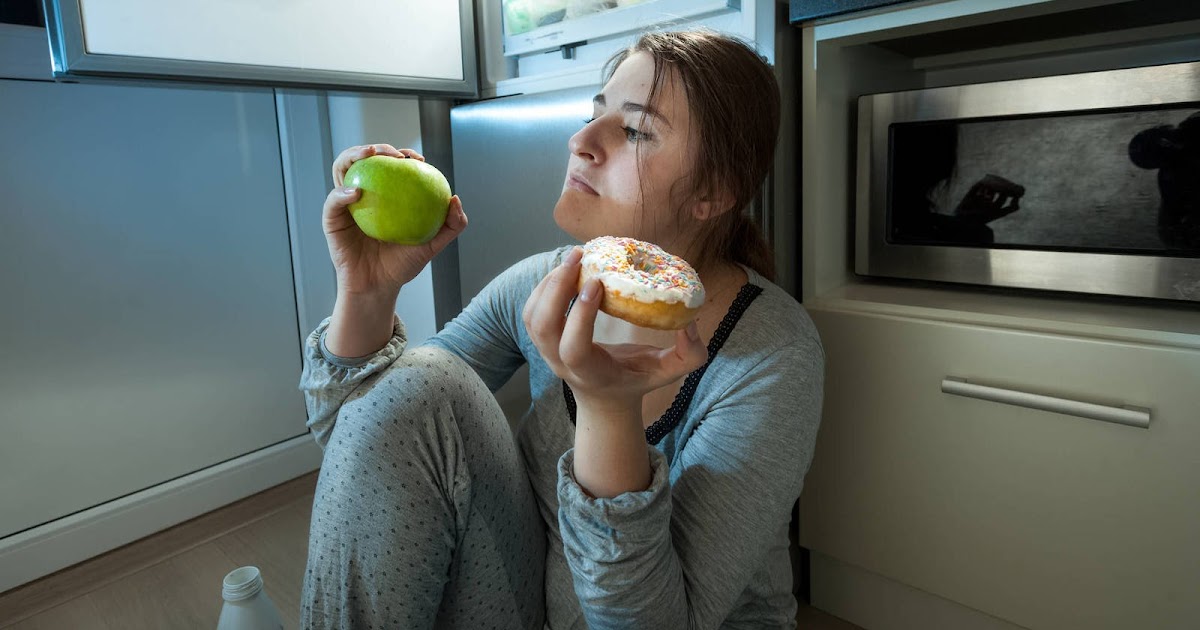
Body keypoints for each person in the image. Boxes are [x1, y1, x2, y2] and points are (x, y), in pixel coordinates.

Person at [299, 29, 825, 629]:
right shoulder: (545, 283)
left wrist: (606, 411)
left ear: (711, 192)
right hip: (537, 599)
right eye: (593, 115)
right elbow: (368, 443)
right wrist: (368, 292)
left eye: (634, 131)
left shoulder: (771, 355)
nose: (580, 142)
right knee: (421, 381)